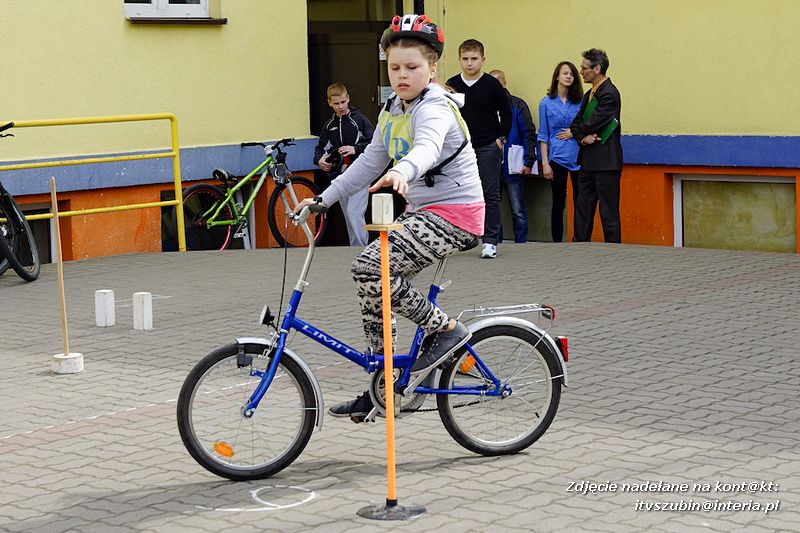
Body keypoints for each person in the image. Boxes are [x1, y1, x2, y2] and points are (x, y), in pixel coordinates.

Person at [295, 14, 485, 420]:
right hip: (424, 212)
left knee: (370, 267)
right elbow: (367, 164)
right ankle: (384, 386)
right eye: (394, 67)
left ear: (433, 67)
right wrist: (322, 200)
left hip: (456, 215)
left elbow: (429, 147)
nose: (402, 75)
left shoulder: (435, 107)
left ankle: (445, 329)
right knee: (371, 287)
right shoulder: (393, 109)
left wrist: (403, 171)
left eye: (412, 67)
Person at [446, 39, 511, 259]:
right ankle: (460, 237)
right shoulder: (452, 84)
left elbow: (507, 112)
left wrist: (501, 139)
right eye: (465, 59)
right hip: (460, 149)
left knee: (490, 194)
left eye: (474, 59)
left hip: (487, 147)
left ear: (483, 60)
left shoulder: (492, 85)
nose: (469, 63)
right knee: (457, 193)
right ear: (459, 60)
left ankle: (490, 241)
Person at [569, 48, 623, 243]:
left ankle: (613, 249)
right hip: (588, 160)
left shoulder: (609, 93)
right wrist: (582, 138)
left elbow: (592, 122)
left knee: (608, 210)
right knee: (583, 206)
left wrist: (579, 131)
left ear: (597, 68)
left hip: (606, 162)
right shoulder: (589, 94)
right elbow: (576, 124)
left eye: (584, 68)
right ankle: (580, 244)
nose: (581, 72)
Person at [313, 82, 375, 246]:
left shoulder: (359, 120)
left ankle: (360, 249)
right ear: (329, 103)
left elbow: (375, 144)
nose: (340, 106)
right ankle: (355, 248)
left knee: (354, 212)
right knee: (349, 215)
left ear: (348, 99)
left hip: (361, 171)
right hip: (340, 175)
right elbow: (320, 149)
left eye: (343, 102)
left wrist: (355, 149)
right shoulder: (329, 125)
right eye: (336, 103)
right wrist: (320, 160)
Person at [489, 69, 536, 244]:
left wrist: (528, 160)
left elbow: (528, 133)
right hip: (491, 167)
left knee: (518, 209)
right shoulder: (486, 106)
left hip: (514, 166)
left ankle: (521, 244)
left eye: (498, 83)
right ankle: (495, 242)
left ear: (505, 83)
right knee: (493, 209)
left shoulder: (517, 105)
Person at [538, 61, 583, 242]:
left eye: (572, 74)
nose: (568, 76)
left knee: (580, 202)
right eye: (565, 73)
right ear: (557, 76)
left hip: (579, 156)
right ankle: (557, 242)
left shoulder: (579, 102)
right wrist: (545, 163)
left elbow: (585, 126)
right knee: (558, 202)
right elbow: (543, 135)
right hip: (556, 158)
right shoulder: (546, 103)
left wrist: (574, 132)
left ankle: (580, 239)